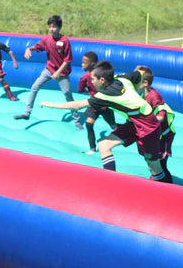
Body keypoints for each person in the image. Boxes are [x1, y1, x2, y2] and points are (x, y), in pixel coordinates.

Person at [41, 60, 172, 183]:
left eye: (93, 79)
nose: (91, 82)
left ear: (102, 80)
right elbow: (140, 73)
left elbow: (77, 105)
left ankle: (166, 192)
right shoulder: (123, 78)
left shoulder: (104, 95)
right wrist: (135, 93)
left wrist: (51, 104)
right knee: (104, 145)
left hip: (148, 126)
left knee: (154, 167)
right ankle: (111, 181)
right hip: (133, 122)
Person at [14, 15, 82, 130]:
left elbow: (67, 60)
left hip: (62, 73)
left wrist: (58, 72)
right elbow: (38, 47)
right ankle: (27, 113)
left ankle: (77, 121)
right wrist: (29, 49)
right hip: (49, 69)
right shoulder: (47, 39)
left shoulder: (64, 41)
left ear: (59, 28)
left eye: (54, 27)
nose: (51, 29)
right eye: (50, 27)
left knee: (67, 95)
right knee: (35, 87)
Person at [135, 65, 175, 179]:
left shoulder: (154, 96)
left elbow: (161, 116)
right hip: (155, 135)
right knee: (152, 162)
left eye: (136, 79)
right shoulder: (142, 95)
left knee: (161, 163)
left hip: (164, 136)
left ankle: (166, 186)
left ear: (145, 83)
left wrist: (144, 121)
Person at [78, 51, 116, 154]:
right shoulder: (87, 76)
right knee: (89, 123)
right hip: (94, 104)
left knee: (113, 125)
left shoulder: (89, 76)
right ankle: (92, 148)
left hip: (104, 104)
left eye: (84, 62)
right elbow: (80, 89)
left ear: (93, 64)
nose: (82, 65)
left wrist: (86, 88)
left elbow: (80, 89)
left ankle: (121, 134)